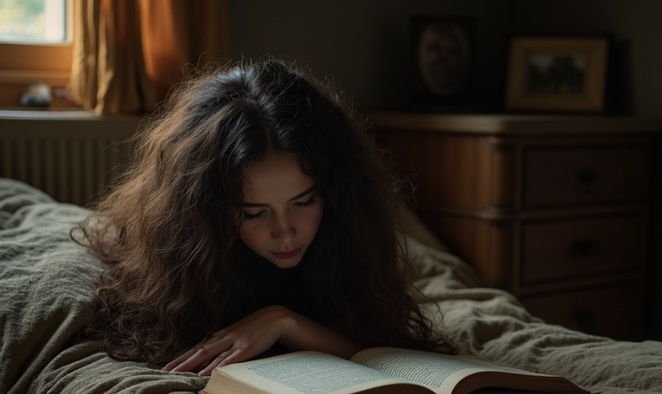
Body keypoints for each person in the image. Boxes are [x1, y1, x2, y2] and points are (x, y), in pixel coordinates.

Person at [75, 58, 453, 376]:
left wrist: (282, 322)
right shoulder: (187, 253)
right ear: (209, 209)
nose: (284, 233)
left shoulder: (350, 233)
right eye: (254, 213)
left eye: (303, 203)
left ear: (333, 192)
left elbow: (381, 350)